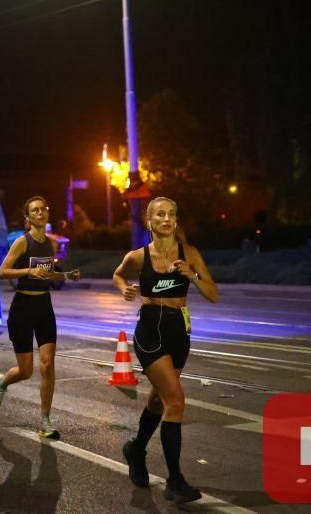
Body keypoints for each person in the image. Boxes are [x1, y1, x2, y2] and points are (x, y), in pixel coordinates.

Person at [112, 197, 218, 504]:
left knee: (159, 399)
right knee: (175, 401)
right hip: (151, 331)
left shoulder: (190, 254)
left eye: (172, 214)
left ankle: (136, 449)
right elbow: (118, 274)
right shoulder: (138, 257)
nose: (167, 218)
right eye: (160, 214)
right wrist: (125, 289)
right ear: (150, 221)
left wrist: (192, 276)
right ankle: (175, 481)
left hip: (179, 331)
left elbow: (213, 293)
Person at [0, 196, 80, 439]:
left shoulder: (51, 243)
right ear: (28, 217)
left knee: (47, 365)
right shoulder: (22, 242)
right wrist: (29, 270)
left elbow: (48, 274)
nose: (40, 212)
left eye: (43, 209)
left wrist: (67, 276)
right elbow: (3, 272)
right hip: (23, 307)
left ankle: (45, 421)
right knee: (26, 370)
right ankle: (2, 383)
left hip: (44, 306)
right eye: (35, 210)